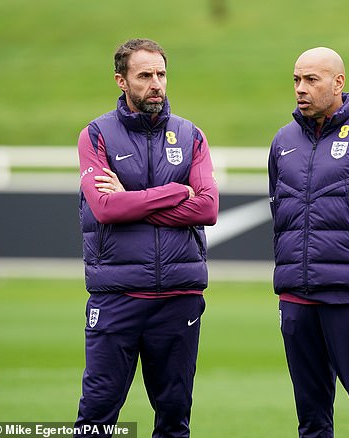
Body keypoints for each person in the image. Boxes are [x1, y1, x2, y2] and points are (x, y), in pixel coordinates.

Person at [75, 38, 218, 437]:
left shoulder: (190, 136)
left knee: (174, 419)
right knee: (96, 416)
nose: (156, 83)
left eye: (161, 74)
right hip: (117, 297)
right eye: (144, 76)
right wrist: (175, 192)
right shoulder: (96, 135)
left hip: (178, 298)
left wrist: (131, 200)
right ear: (121, 81)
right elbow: (105, 208)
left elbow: (207, 209)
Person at [268, 47, 349, 438]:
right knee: (311, 418)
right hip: (296, 298)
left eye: (311, 80)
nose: (300, 89)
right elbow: (280, 209)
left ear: (339, 83)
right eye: (296, 80)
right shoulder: (283, 140)